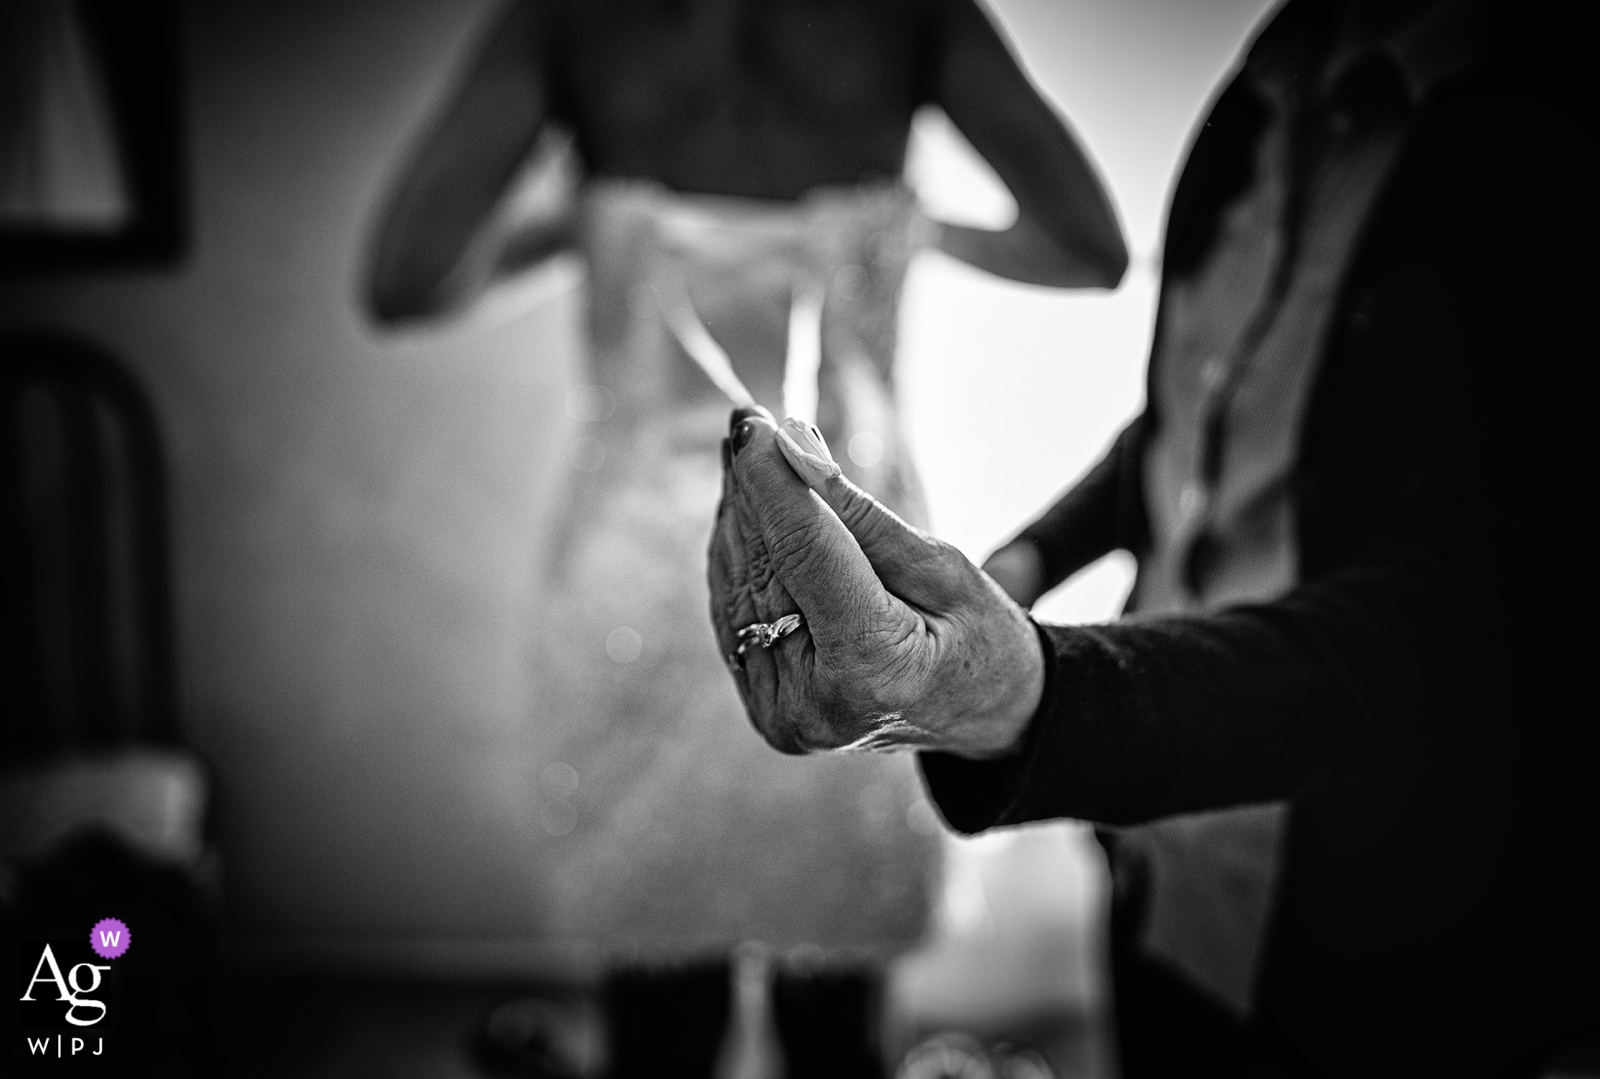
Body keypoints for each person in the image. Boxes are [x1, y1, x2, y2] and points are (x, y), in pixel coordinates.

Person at [708, 0, 1597, 1072]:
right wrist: (1029, 559)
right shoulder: (1267, 89)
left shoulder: (1548, 136)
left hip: (1388, 906)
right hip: (1156, 850)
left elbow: (1469, 625)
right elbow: (1205, 410)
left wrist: (1032, 691)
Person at [365, 0, 1125, 949]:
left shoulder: (565, 20)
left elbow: (405, 280)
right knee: (838, 988)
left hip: (636, 573)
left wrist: (585, 227)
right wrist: (903, 228)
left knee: (655, 988)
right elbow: (1090, 249)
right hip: (851, 560)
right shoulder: (914, 17)